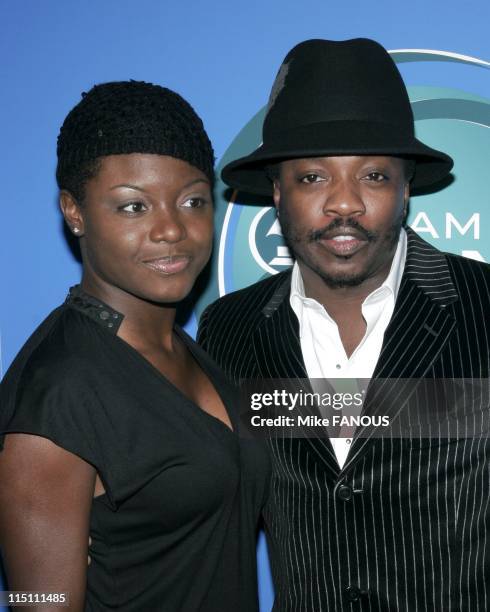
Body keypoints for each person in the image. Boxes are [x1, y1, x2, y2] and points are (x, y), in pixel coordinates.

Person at [197, 39, 490, 611]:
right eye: (312, 178)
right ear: (276, 193)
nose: (344, 204)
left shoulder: (484, 306)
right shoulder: (227, 330)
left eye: (374, 176)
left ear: (407, 189)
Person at [0, 81, 269, 611]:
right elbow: (41, 604)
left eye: (192, 200)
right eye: (133, 207)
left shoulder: (193, 352)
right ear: (74, 210)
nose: (171, 229)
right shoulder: (56, 395)